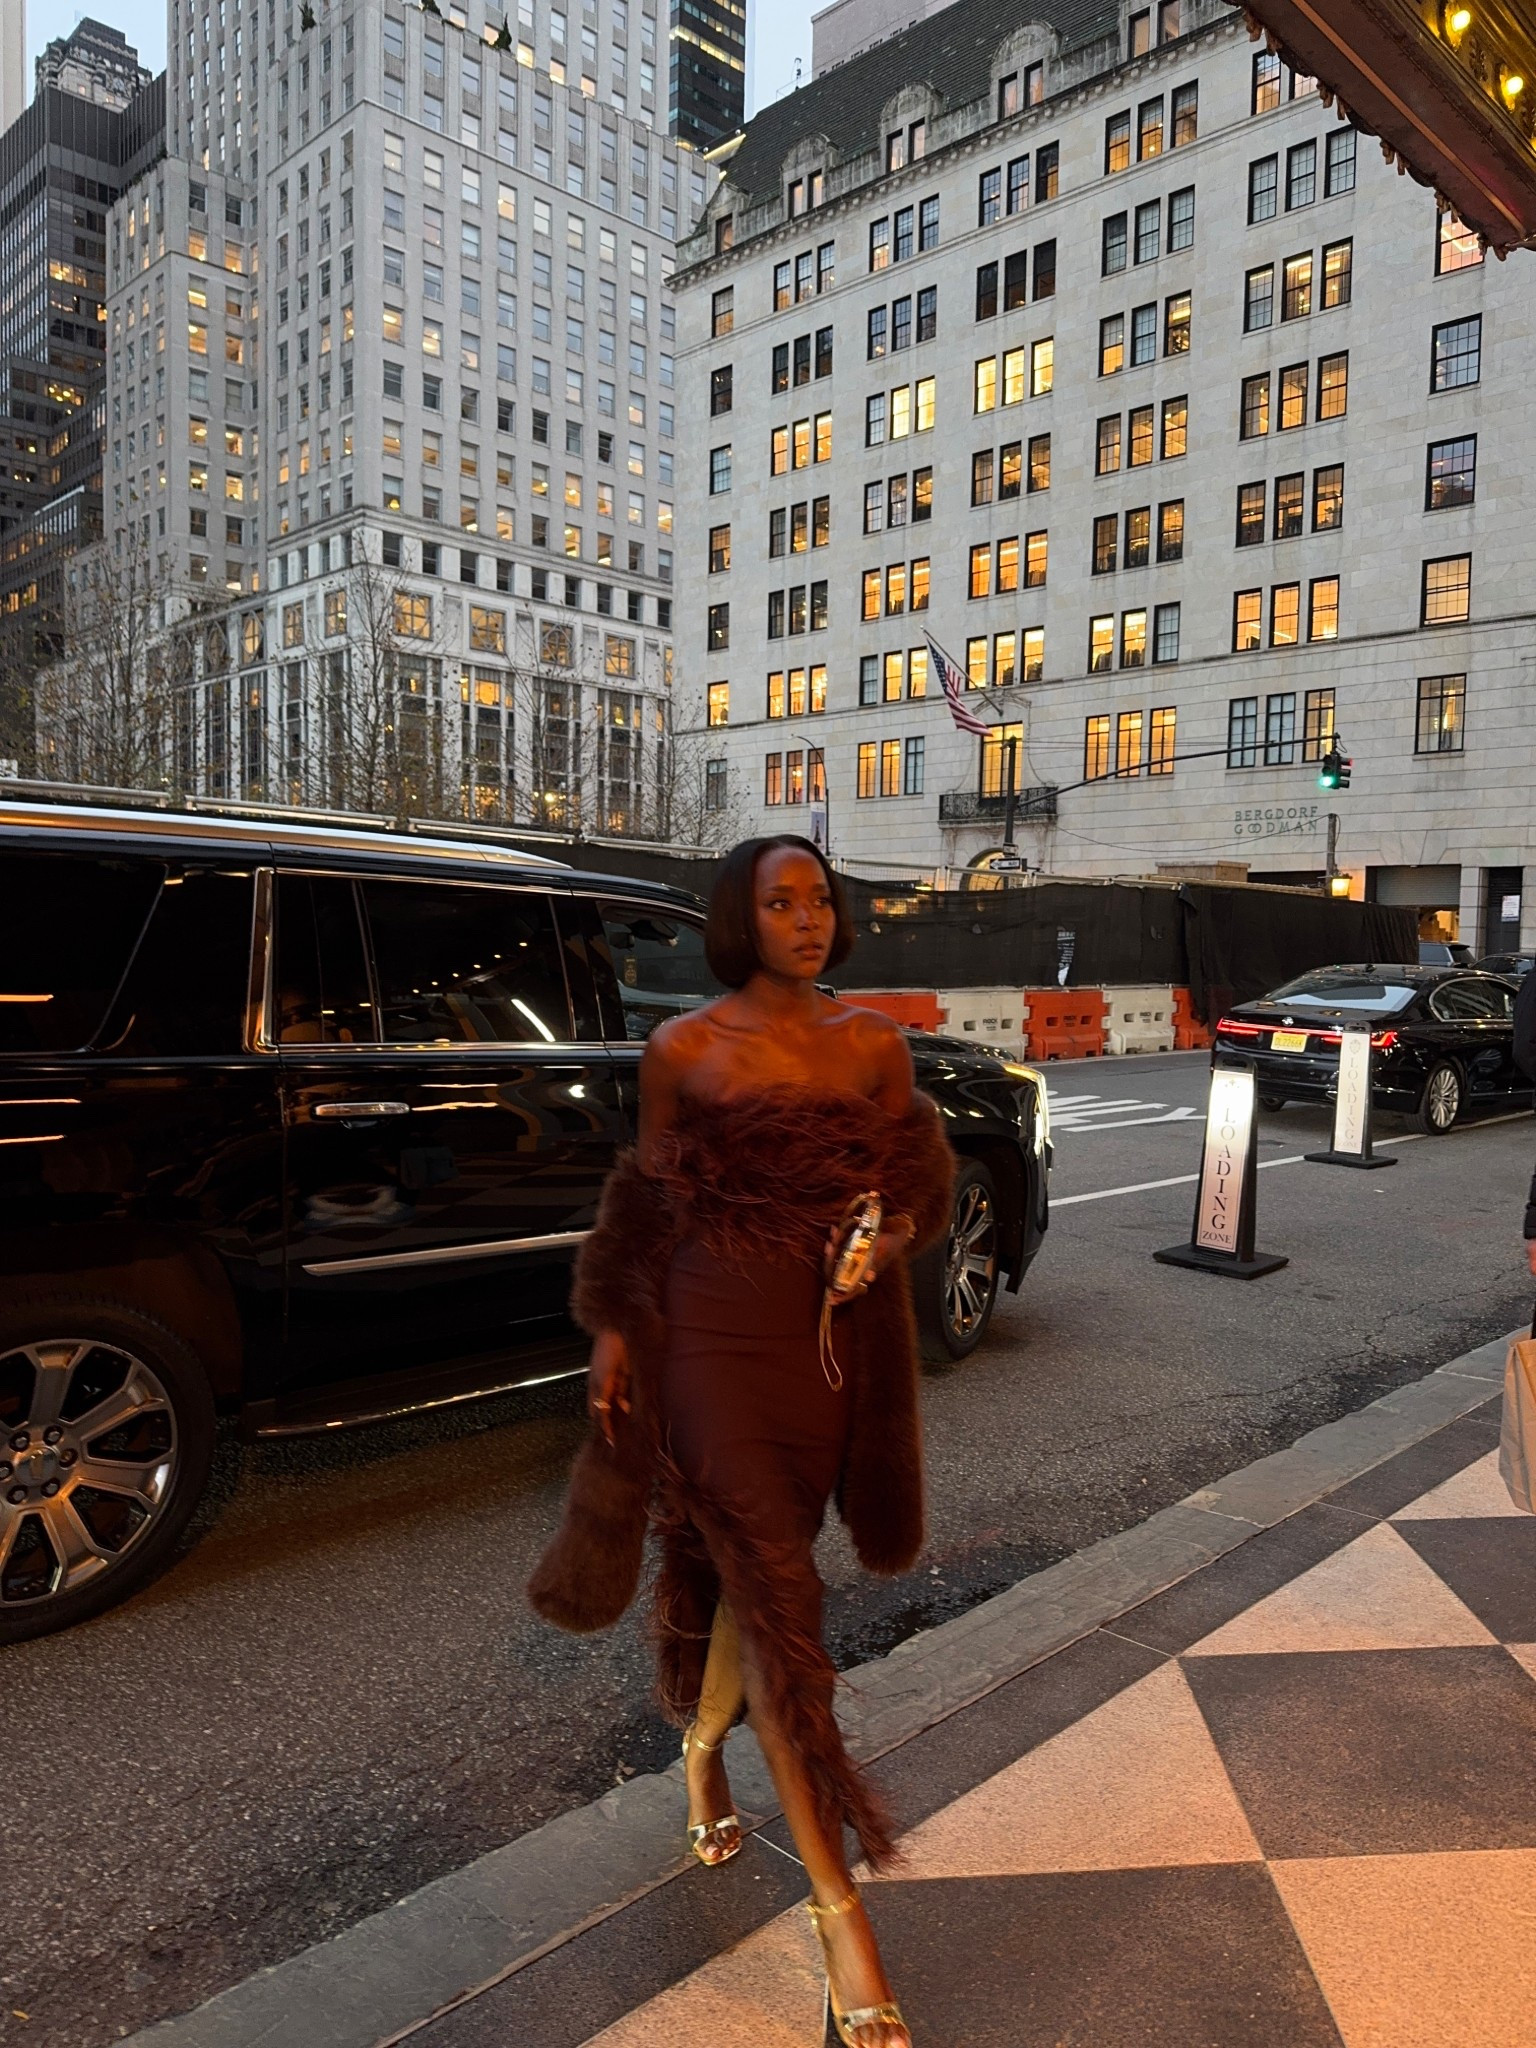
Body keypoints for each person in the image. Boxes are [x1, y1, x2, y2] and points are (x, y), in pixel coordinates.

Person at [530, 836, 955, 2047]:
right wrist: (614, 1322)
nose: (811, 919)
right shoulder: (686, 1049)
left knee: (753, 1587)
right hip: (707, 1343)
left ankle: (704, 1745)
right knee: (782, 1598)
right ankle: (838, 1908)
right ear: (740, 916)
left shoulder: (874, 1043)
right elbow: (649, 1198)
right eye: (783, 901)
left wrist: (890, 1232)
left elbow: (916, 1184)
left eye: (823, 899)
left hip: (819, 1355)